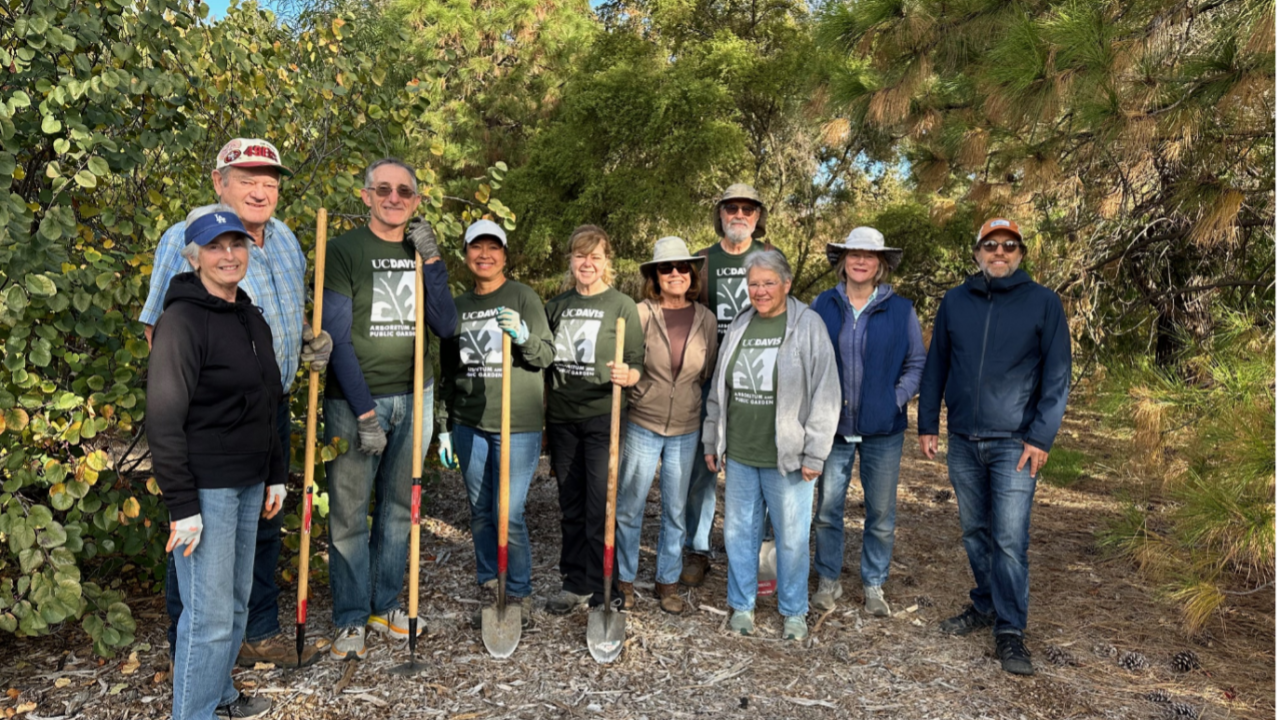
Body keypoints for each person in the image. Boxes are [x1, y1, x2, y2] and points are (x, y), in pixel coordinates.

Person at [139, 138, 329, 669]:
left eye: (270, 181)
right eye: (247, 179)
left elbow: (285, 316)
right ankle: (192, 655)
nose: (261, 190)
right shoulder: (187, 237)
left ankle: (257, 632)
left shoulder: (287, 238)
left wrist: (309, 342)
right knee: (196, 540)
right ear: (219, 182)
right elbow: (163, 329)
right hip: (214, 422)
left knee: (264, 527)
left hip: (272, 411)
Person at [917, 218, 1072, 676]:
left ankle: (1009, 630)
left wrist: (1041, 437)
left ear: (1020, 253)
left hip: (1015, 444)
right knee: (974, 533)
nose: (999, 252)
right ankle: (986, 603)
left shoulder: (1043, 302)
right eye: (990, 245)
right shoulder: (955, 301)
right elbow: (936, 365)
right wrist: (928, 424)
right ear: (977, 252)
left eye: (1008, 245)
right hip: (964, 439)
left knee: (1009, 540)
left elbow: (1058, 375)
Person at [148, 206, 285, 720]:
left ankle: (219, 694)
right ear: (194, 256)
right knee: (205, 616)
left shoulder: (251, 317)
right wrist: (181, 505)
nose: (228, 255)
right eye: (215, 246)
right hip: (205, 489)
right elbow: (163, 418)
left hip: (251, 482)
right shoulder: (180, 321)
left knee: (233, 605)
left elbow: (267, 400)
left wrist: (274, 474)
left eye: (237, 244)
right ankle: (194, 713)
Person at [323, 158, 457, 660]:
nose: (394, 198)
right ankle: (351, 617)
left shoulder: (419, 251)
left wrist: (434, 263)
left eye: (405, 191)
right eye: (384, 189)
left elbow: (444, 326)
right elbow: (336, 333)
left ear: (416, 201)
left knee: (400, 512)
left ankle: (384, 605)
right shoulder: (343, 250)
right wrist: (363, 412)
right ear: (366, 196)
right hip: (353, 401)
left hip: (415, 394)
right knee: (350, 515)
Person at [703, 249, 839, 641]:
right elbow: (719, 389)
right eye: (753, 284)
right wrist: (713, 437)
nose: (760, 291)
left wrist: (816, 453)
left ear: (786, 284)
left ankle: (794, 611)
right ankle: (742, 605)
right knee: (738, 535)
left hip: (789, 459)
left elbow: (826, 394)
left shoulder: (808, 325)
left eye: (768, 283)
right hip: (743, 453)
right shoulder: (742, 324)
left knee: (792, 538)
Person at [439, 219, 554, 629]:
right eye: (476, 247)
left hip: (516, 424)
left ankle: (518, 589)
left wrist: (523, 335)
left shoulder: (523, 296)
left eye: (493, 248)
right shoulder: (457, 306)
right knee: (481, 511)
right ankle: (490, 579)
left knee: (509, 512)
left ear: (505, 254)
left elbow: (545, 356)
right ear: (466, 253)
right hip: (470, 422)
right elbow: (448, 370)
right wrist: (445, 426)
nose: (484, 255)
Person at [810, 227, 926, 617]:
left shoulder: (901, 309)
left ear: (881, 265)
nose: (860, 261)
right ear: (842, 261)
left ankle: (874, 584)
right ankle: (829, 581)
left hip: (883, 429)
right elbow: (807, 359)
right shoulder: (822, 304)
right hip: (834, 426)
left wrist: (892, 400)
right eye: (853, 254)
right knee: (828, 509)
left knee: (880, 513)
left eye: (869, 256)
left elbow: (916, 363)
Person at [544, 226, 645, 614]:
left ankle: (605, 582)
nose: (588, 263)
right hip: (563, 418)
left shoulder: (621, 306)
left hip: (603, 417)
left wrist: (628, 375)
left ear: (607, 262)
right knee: (569, 502)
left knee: (599, 503)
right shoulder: (556, 306)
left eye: (596, 256)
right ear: (571, 260)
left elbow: (636, 363)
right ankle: (574, 583)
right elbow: (543, 363)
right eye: (580, 256)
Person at [615, 237, 718, 615]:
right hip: (643, 420)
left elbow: (705, 373)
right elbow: (628, 360)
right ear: (655, 276)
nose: (675, 273)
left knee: (676, 508)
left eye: (681, 268)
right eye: (665, 268)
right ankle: (624, 580)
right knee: (631, 506)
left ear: (692, 274)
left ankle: (667, 581)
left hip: (687, 426)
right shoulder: (640, 313)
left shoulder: (706, 319)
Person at [681, 184, 776, 588]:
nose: (739, 214)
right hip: (708, 381)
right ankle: (697, 550)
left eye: (748, 209)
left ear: (758, 216)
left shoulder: (771, 259)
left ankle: (761, 553)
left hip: (757, 381)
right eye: (731, 208)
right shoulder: (702, 260)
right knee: (702, 471)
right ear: (720, 214)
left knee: (762, 465)